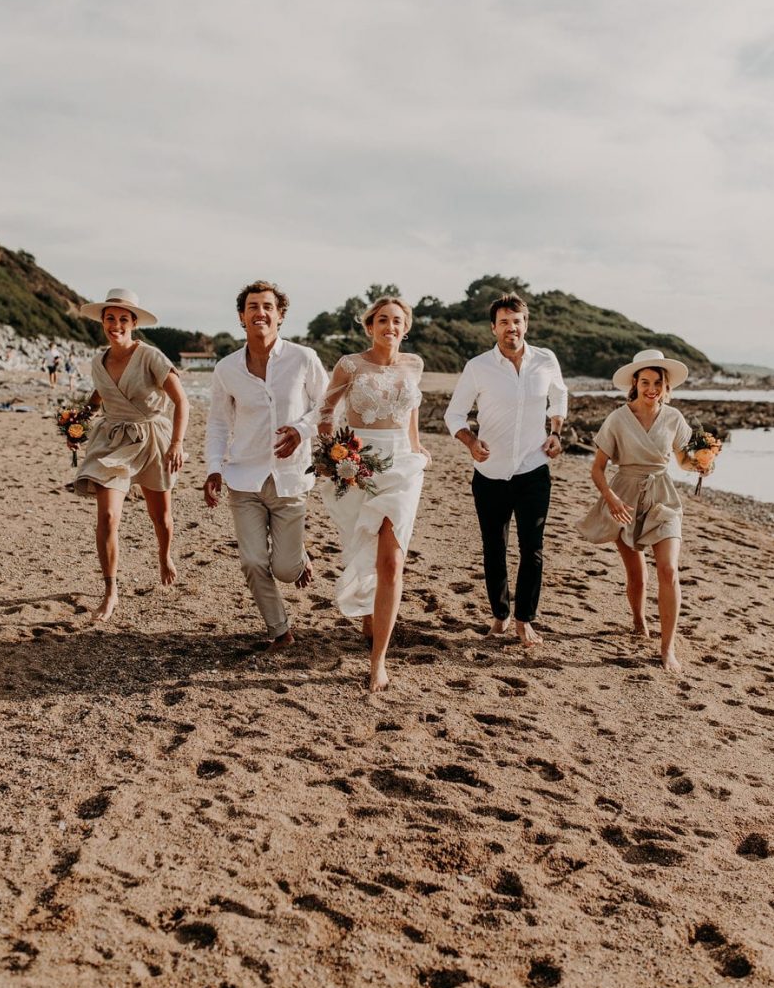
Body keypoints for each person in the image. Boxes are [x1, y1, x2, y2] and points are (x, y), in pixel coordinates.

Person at [204, 281, 329, 651]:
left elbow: (325, 404)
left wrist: (302, 430)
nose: (261, 312)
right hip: (243, 478)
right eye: (253, 306)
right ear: (242, 317)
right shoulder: (226, 368)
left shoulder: (303, 358)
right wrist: (213, 467)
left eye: (268, 306)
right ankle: (279, 630)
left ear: (280, 315)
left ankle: (299, 556)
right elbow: (217, 423)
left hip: (290, 480)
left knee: (287, 570)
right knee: (253, 561)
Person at [318, 296, 430, 692]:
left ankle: (378, 661)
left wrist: (416, 448)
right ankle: (369, 609)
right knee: (362, 543)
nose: (390, 326)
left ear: (406, 326)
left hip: (403, 466)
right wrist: (333, 453)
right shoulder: (350, 364)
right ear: (370, 326)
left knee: (392, 561)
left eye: (397, 320)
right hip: (359, 463)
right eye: (382, 320)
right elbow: (325, 412)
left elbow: (411, 411)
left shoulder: (414, 364)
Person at [444, 293, 566, 646]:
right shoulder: (478, 366)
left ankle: (525, 619)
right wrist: (470, 441)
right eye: (504, 322)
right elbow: (454, 414)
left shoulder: (546, 360)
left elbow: (559, 396)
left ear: (525, 324)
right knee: (494, 548)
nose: (511, 328)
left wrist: (556, 431)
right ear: (493, 328)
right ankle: (500, 615)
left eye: (517, 321)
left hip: (533, 469)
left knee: (533, 548)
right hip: (490, 473)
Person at [576, 349, 697, 673]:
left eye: (658, 383)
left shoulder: (674, 418)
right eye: (645, 382)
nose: (652, 389)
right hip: (625, 496)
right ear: (635, 383)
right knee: (636, 574)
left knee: (668, 570)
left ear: (666, 386)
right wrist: (611, 499)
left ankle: (667, 649)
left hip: (663, 498)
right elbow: (598, 469)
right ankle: (639, 619)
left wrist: (702, 464)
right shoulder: (617, 418)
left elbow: (684, 460)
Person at [73, 288, 188, 622]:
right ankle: (110, 592)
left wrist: (177, 443)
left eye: (124, 319)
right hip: (113, 442)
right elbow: (98, 395)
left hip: (152, 439)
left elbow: (182, 401)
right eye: (110, 318)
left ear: (134, 323)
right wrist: (76, 424)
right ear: (103, 323)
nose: (116, 325)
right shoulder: (99, 361)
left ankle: (164, 556)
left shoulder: (151, 356)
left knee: (161, 517)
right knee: (108, 517)